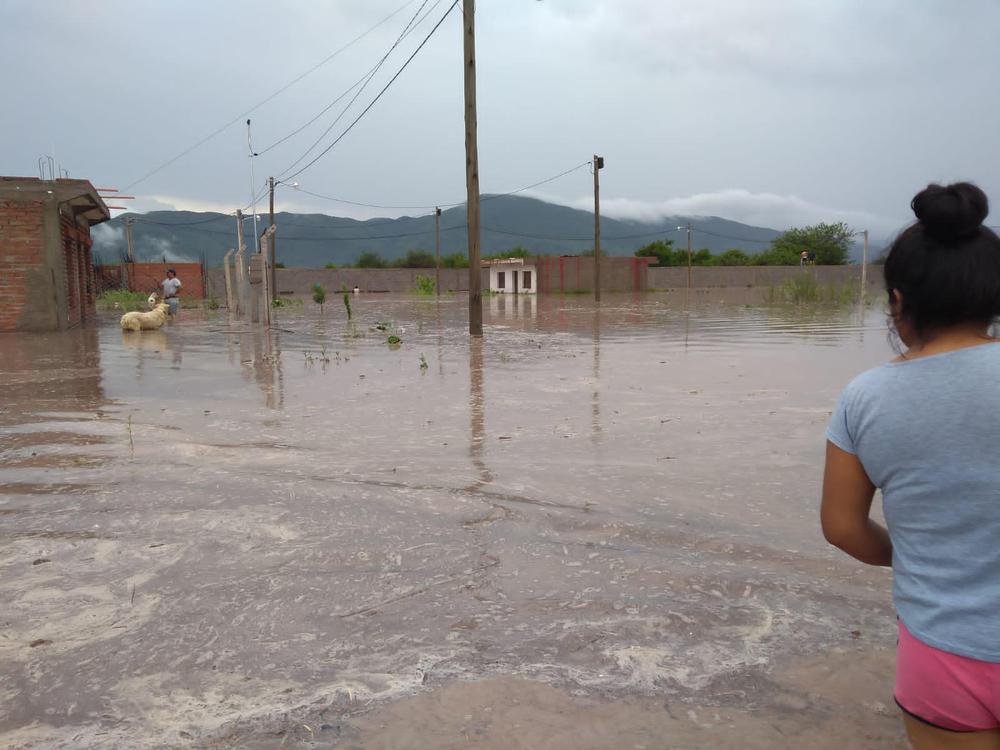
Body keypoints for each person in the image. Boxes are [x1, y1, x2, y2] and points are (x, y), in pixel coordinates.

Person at [822, 182, 1000, 749]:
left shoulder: (865, 398)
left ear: (897, 300)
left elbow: (843, 527)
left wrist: (921, 551)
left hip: (944, 655)